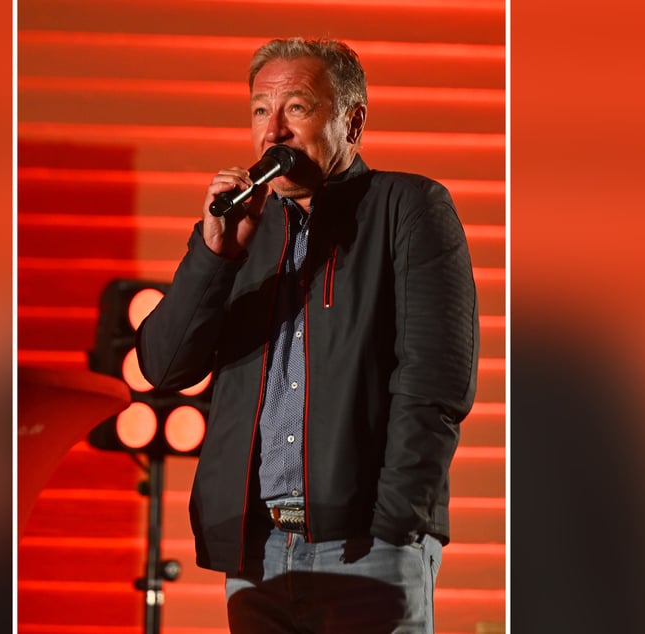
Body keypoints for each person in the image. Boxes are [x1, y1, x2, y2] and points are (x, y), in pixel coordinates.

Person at [136, 37, 479, 634]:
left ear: (353, 120)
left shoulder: (409, 208)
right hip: (259, 554)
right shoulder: (244, 230)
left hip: (367, 546)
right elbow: (163, 367)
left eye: (296, 108)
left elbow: (435, 382)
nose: (274, 132)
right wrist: (214, 255)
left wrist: (392, 525)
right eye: (260, 111)